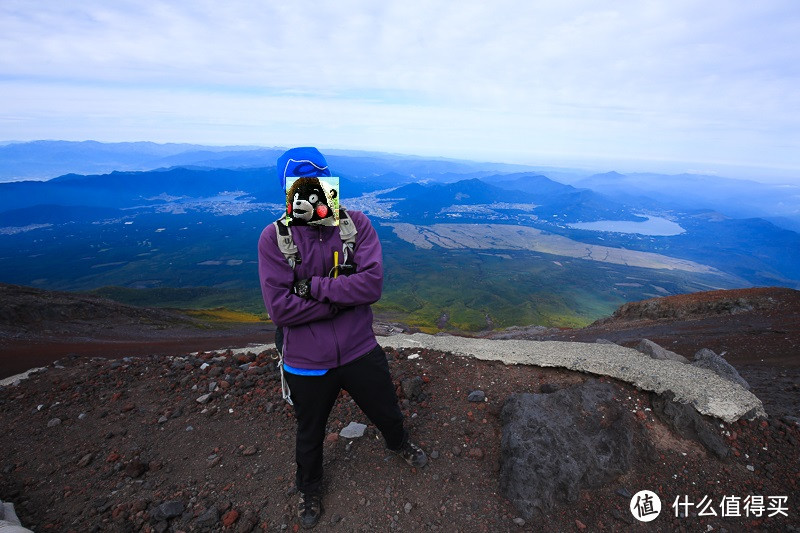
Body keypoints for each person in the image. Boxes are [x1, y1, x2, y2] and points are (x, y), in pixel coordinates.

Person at [257, 147, 427, 529]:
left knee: (385, 407)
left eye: (318, 183)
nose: (311, 193)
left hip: (358, 349)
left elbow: (371, 285)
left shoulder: (356, 224)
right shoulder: (275, 238)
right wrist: (337, 301)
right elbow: (280, 310)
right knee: (310, 430)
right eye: (301, 186)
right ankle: (310, 487)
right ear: (288, 190)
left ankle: (398, 443)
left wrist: (312, 287)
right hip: (306, 360)